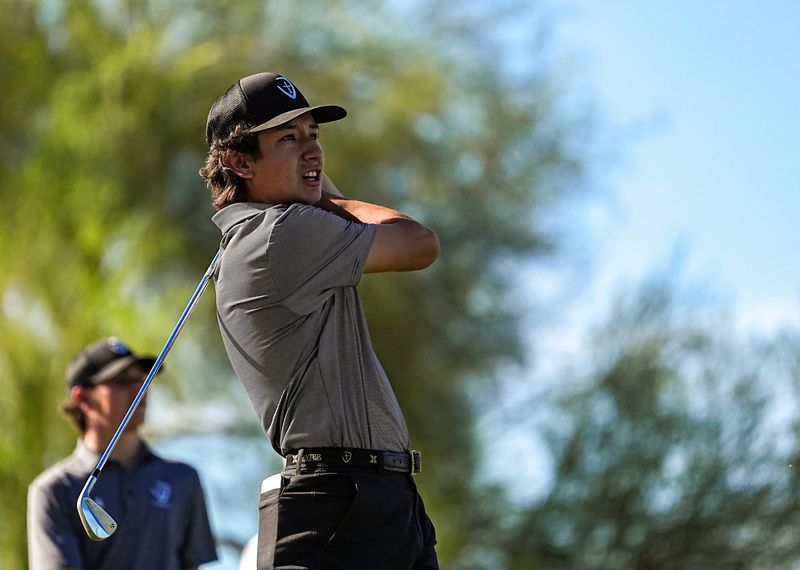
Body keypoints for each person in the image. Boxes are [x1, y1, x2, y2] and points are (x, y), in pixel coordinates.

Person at [200, 72, 441, 569]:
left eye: (314, 135)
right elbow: (419, 243)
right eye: (287, 138)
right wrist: (326, 195)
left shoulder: (281, 232)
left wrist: (303, 177)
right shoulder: (280, 234)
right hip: (339, 507)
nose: (312, 151)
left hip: (376, 500)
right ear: (239, 161)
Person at [27, 337, 219, 570]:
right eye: (121, 381)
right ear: (83, 398)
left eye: (141, 379)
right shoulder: (55, 490)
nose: (139, 388)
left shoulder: (183, 479)